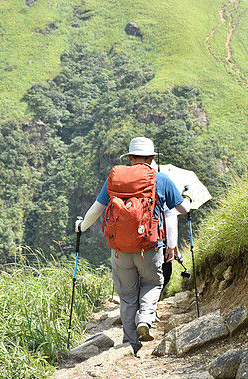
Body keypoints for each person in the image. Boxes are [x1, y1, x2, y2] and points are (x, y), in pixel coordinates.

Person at [75, 137, 190, 356]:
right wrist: (188, 198)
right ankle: (145, 320)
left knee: (127, 296)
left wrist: (81, 227)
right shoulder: (161, 179)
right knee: (153, 283)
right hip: (150, 247)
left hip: (120, 250)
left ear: (129, 158)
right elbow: (183, 209)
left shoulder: (115, 180)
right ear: (152, 158)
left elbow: (96, 210)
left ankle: (130, 343)